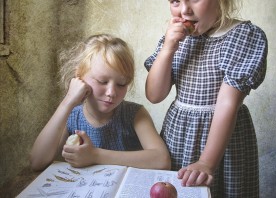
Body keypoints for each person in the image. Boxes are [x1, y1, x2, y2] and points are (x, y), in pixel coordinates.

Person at [144, 0, 267, 197]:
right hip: (178, 133)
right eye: (175, 1)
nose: (184, 10)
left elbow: (228, 103)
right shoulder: (175, 39)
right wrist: (168, 49)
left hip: (221, 142)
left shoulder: (242, 36)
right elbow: (155, 95)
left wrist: (206, 162)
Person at [30, 34, 171, 172]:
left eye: (121, 84)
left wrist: (95, 155)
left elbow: (162, 161)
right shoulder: (71, 116)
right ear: (79, 76)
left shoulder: (134, 114)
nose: (111, 92)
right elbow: (37, 162)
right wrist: (67, 102)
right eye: (102, 81)